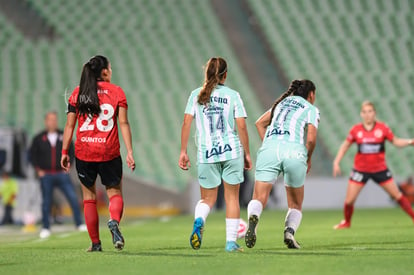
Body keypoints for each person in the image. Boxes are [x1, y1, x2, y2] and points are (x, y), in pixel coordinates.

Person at [61, 55, 135, 252]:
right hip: (108, 151)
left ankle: (95, 243)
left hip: (84, 152)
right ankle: (114, 221)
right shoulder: (117, 92)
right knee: (115, 193)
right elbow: (124, 123)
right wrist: (129, 151)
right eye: (110, 69)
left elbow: (69, 126)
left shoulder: (78, 93)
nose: (111, 72)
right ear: (104, 72)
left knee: (89, 197)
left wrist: (64, 151)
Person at [179, 57, 252, 252]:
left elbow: (186, 123)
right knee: (232, 198)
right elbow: (242, 126)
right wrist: (247, 153)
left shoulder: (196, 94)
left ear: (207, 73)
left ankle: (199, 220)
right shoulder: (233, 95)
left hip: (206, 153)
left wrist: (183, 151)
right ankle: (230, 243)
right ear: (225, 75)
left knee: (208, 199)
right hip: (231, 151)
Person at [245, 79, 319, 249]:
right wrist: (308, 158)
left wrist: (270, 143)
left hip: (270, 148)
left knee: (258, 198)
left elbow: (259, 123)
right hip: (294, 152)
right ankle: (289, 232)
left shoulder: (282, 103)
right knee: (295, 203)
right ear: (311, 94)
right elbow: (311, 139)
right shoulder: (311, 109)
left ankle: (254, 218)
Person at [332, 101, 414, 229]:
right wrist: (336, 161)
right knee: (349, 201)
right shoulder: (356, 130)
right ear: (361, 114)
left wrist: (409, 142)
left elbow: (396, 141)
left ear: (374, 113)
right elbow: (345, 146)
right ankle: (347, 222)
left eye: (370, 111)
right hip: (360, 170)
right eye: (365, 112)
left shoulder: (383, 128)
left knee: (397, 195)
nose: (367, 114)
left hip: (380, 169)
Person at [30, 111, 86, 238]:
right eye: (50, 119)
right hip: (46, 175)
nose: (52, 122)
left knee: (72, 198)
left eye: (54, 119)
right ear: (46, 121)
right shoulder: (38, 138)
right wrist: (38, 170)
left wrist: (69, 166)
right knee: (46, 202)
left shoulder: (64, 135)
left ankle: (79, 223)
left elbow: (72, 152)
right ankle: (45, 227)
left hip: (62, 174)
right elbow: (32, 155)